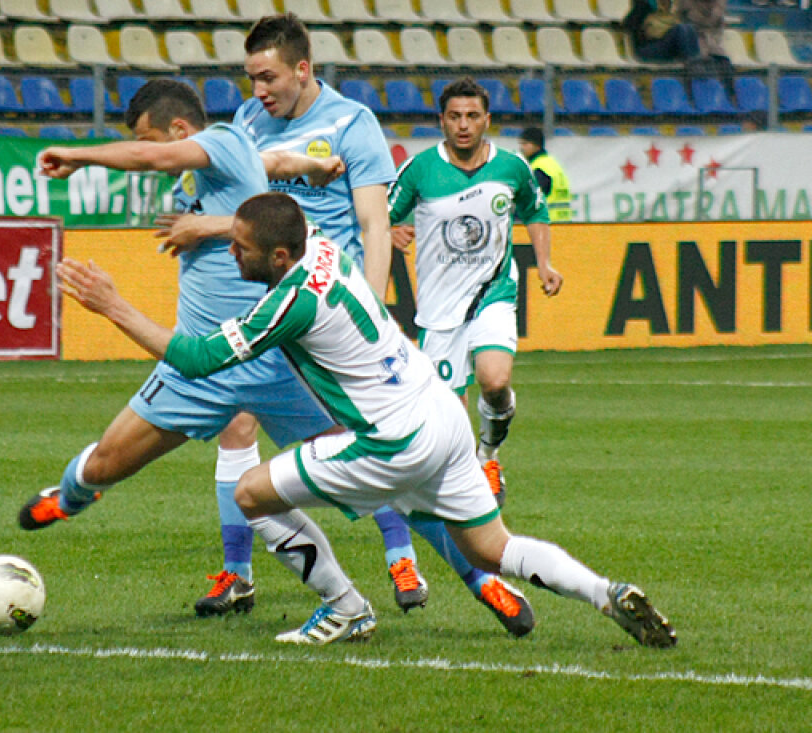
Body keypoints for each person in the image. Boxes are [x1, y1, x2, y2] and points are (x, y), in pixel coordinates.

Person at [52, 191, 677, 649]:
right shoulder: (320, 241)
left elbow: (196, 359)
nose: (231, 252)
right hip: (441, 413)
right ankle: (605, 593)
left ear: (278, 255)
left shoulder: (291, 302)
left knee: (249, 494)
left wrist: (112, 305)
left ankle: (345, 607)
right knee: (493, 547)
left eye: (239, 247)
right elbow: (298, 216)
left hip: (392, 440)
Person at [156, 13, 536, 637]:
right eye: (251, 79)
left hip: (329, 318)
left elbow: (374, 223)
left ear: (301, 69)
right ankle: (237, 573)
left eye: (267, 77)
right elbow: (248, 215)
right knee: (238, 426)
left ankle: (462, 573)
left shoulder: (353, 123)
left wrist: (377, 308)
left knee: (382, 452)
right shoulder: (248, 123)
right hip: (269, 305)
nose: (257, 90)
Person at [20, 79, 355, 620]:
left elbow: (150, 157)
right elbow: (272, 163)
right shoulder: (221, 164)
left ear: (179, 130)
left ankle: (436, 566)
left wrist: (80, 156)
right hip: (194, 364)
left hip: (265, 354)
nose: (153, 155)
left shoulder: (219, 140)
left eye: (152, 138)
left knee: (370, 455)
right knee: (104, 464)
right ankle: (72, 496)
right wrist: (313, 167)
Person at [389, 78, 563, 535]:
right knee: (449, 414)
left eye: (471, 116)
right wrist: (389, 231)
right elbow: (379, 217)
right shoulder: (420, 170)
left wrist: (544, 263)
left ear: (487, 120)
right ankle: (466, 487)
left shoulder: (512, 167)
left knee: (495, 380)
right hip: (438, 310)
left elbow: (535, 210)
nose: (463, 125)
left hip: (493, 295)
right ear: (441, 121)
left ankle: (489, 455)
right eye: (454, 117)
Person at [517, 127, 572, 223]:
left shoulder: (538, 168)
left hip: (545, 223)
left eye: (525, 144)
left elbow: (530, 200)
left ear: (537, 145)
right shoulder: (552, 163)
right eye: (521, 144)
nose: (521, 148)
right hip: (564, 223)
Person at [624, 0, 703, 63]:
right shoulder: (644, 6)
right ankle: (693, 63)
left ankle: (694, 62)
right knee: (681, 29)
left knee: (688, 28)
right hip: (649, 48)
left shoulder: (675, 11)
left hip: (669, 46)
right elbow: (628, 25)